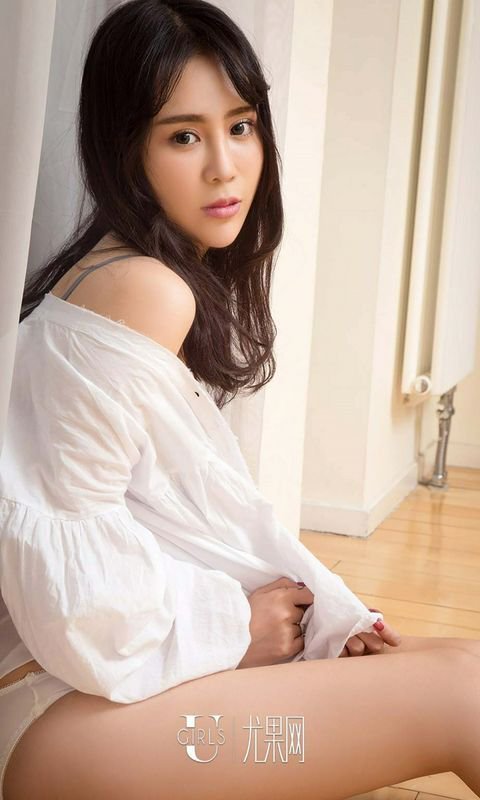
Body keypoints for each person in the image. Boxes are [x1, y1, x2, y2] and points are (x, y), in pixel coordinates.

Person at [1, 1, 480, 798]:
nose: (225, 166)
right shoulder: (146, 290)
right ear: (126, 149)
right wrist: (237, 626)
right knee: (463, 695)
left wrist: (315, 615)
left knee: (468, 665)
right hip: (61, 716)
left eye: (241, 126)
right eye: (183, 136)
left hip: (85, 696)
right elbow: (77, 602)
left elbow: (154, 526)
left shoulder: (121, 272)